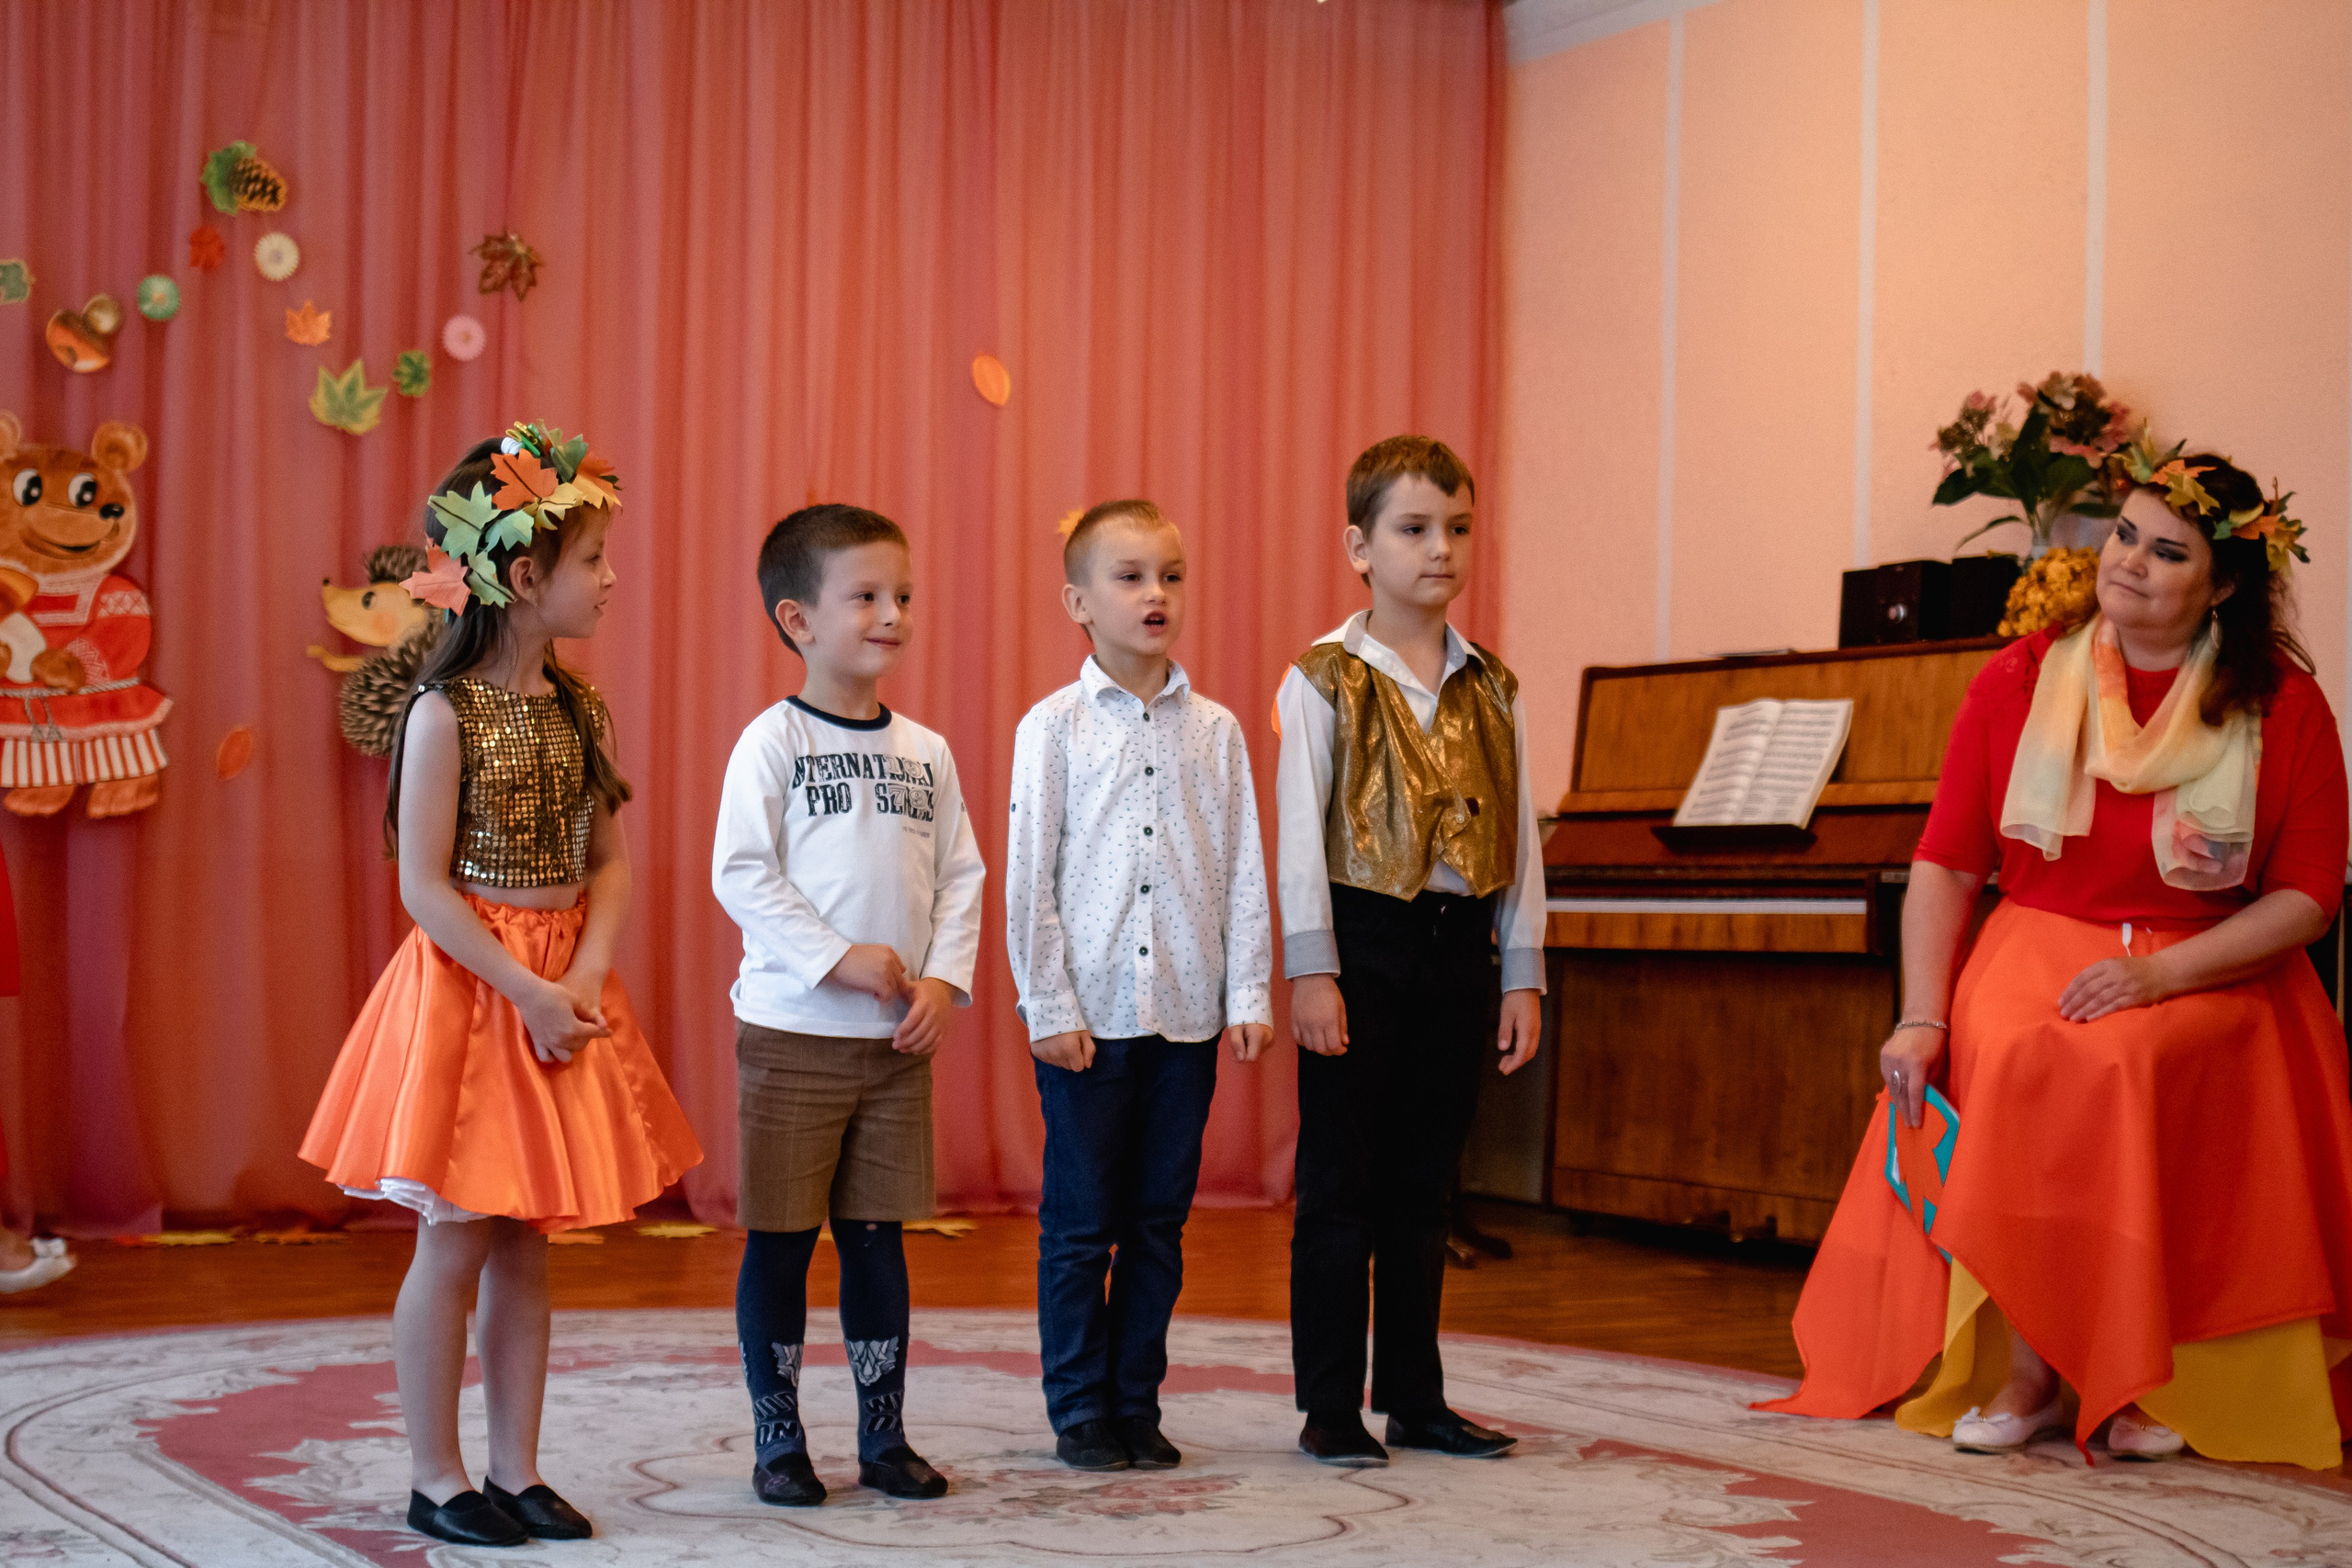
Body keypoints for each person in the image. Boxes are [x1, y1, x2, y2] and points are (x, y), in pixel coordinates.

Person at [1759, 439, 2352, 1468]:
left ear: (2222, 589)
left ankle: (2144, 1380)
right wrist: (1921, 1014)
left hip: (2212, 957)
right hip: (2036, 938)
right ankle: (2034, 1376)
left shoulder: (2286, 708)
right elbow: (1945, 865)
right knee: (2042, 1052)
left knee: (2129, 1055)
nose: (2125, 561)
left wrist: (2159, 975)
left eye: (2166, 552)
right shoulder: (2019, 677)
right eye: (2122, 534)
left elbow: (2307, 898)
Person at [300, 423, 704, 1546]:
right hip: (475, 995)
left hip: (560, 990)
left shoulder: (583, 711)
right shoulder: (442, 714)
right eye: (594, 562)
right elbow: (426, 889)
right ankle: (437, 1476)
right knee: (460, 1237)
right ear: (526, 578)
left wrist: (581, 972)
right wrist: (522, 990)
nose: (612, 579)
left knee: (529, 1239)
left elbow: (609, 864)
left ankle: (516, 1469)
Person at [1276, 435, 1547, 1467]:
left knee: (1428, 1185)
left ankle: (1416, 1397)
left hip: (1456, 949)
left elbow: (1520, 838)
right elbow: (1300, 833)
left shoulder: (1495, 687)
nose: (1440, 549)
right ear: (1360, 545)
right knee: (1341, 1183)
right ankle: (1329, 1406)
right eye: (1414, 528)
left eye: (1458, 528)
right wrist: (1312, 969)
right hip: (1361, 946)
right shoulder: (1323, 680)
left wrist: (1518, 970)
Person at [713, 503, 985, 1507]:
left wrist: (945, 981)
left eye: (901, 596)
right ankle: (777, 1442)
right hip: (793, 1037)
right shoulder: (771, 743)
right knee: (782, 1239)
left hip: (895, 1045)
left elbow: (962, 874)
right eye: (864, 596)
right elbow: (741, 872)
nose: (890, 614)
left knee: (879, 1237)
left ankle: (884, 1436)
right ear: (797, 620)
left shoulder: (927, 751)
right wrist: (837, 958)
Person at [1006, 499, 1275, 1472]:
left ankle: (1136, 1403)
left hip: (1188, 1015)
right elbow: (1030, 871)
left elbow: (1243, 863)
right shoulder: (1054, 728)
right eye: (1128, 577)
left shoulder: (1218, 731)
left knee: (1157, 1225)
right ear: (1079, 600)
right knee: (1082, 1226)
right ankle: (1079, 1409)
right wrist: (1049, 1004)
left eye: (1169, 574)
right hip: (1090, 1021)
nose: (1154, 594)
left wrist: (1247, 991)